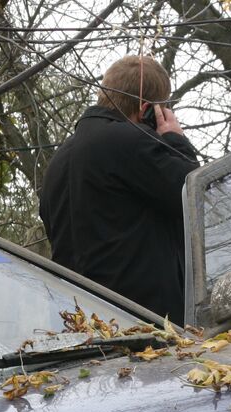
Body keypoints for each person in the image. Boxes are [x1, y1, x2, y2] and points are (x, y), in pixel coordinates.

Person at [39, 55, 199, 323]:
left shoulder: (57, 162)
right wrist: (175, 140)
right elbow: (195, 195)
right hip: (142, 323)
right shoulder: (130, 143)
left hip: (79, 321)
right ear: (147, 109)